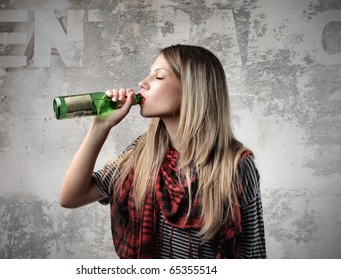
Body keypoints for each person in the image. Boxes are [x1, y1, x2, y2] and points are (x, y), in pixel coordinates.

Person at [60, 44, 266, 259]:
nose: (142, 84)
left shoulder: (236, 165)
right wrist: (100, 127)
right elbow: (72, 197)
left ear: (192, 89)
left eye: (158, 77)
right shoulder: (142, 153)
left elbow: (253, 256)